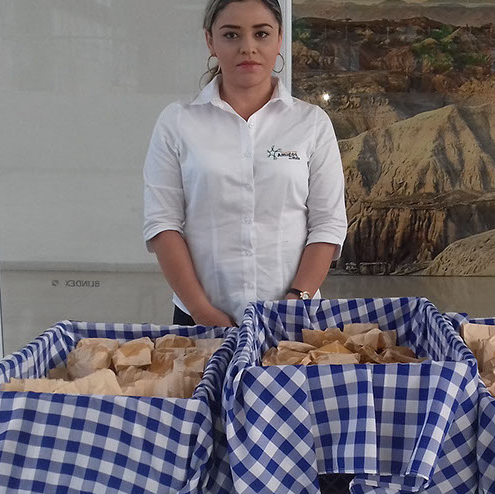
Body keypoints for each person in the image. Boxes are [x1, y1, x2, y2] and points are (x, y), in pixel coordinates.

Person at [143, 0, 347, 327]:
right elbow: (162, 224)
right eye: (231, 35)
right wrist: (201, 311)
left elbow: (328, 223)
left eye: (261, 34)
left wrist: (296, 300)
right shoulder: (177, 122)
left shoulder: (311, 123)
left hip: (293, 315)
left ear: (279, 38)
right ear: (210, 41)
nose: (247, 47)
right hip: (199, 317)